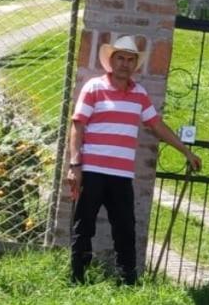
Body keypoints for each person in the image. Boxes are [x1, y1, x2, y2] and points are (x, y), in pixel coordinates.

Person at [66, 35, 201, 284]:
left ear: (134, 65)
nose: (125, 64)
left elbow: (157, 125)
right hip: (92, 170)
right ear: (111, 60)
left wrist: (185, 151)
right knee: (84, 227)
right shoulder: (94, 87)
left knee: (125, 230)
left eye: (130, 60)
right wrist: (75, 165)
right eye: (120, 58)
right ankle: (76, 279)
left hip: (121, 175)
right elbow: (77, 125)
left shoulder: (139, 94)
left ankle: (127, 283)